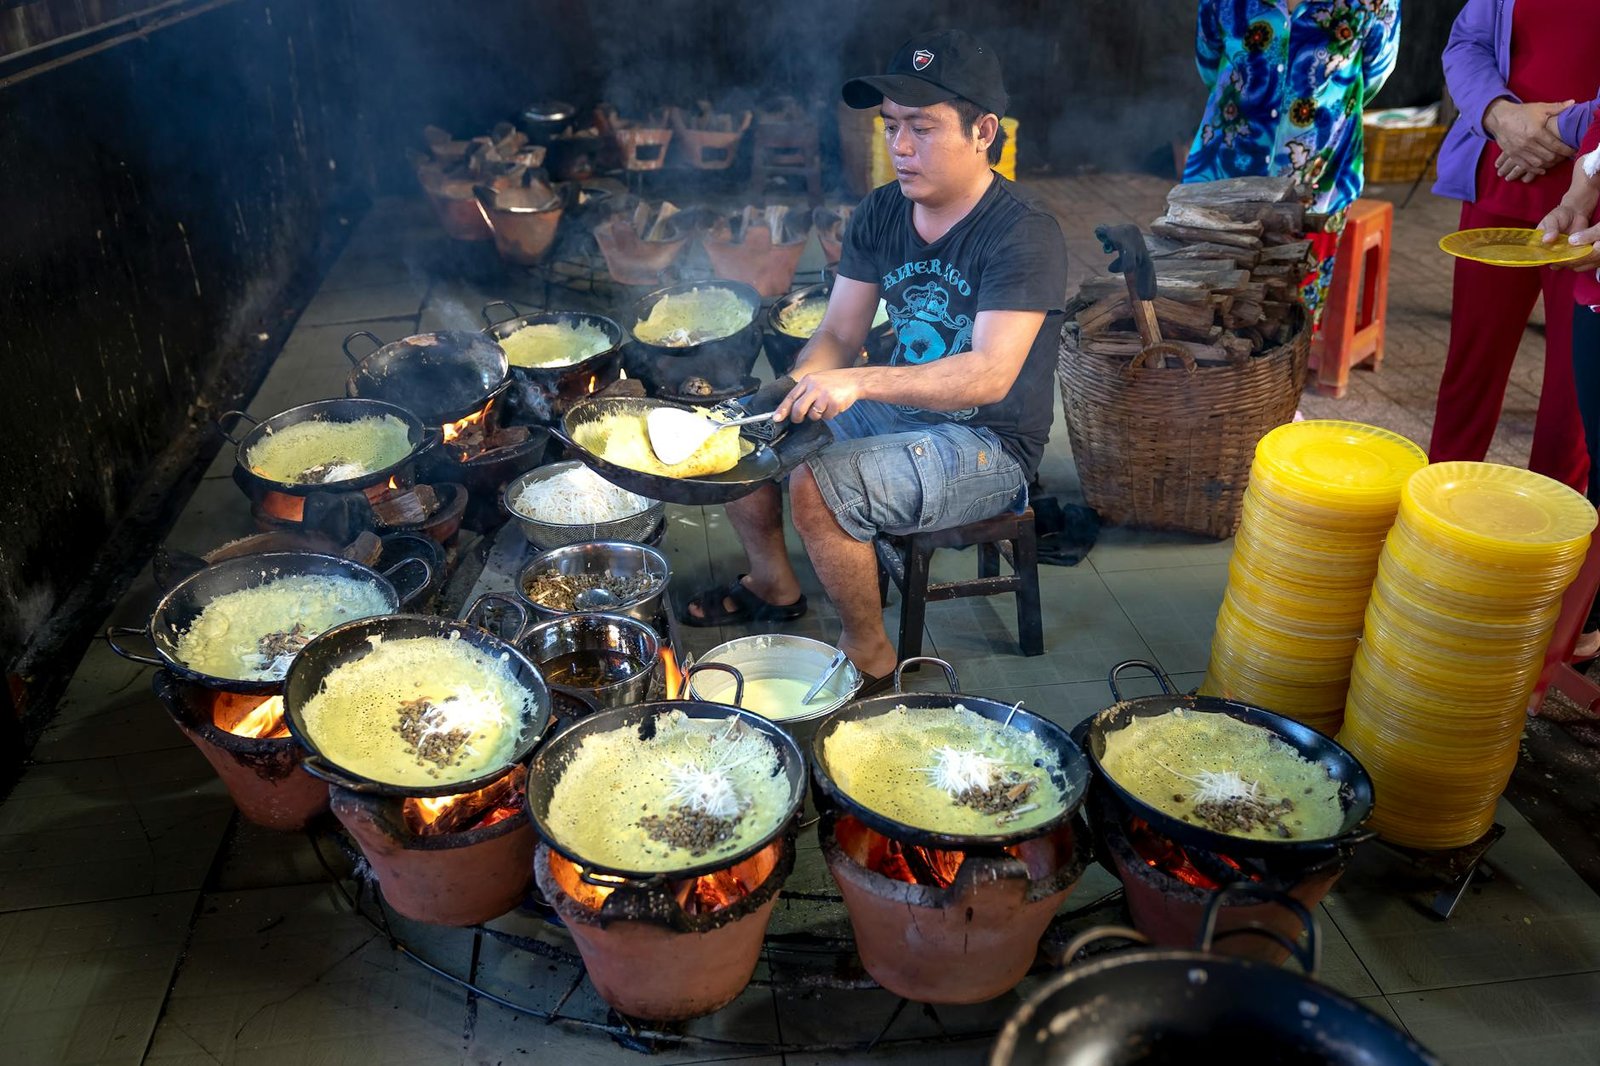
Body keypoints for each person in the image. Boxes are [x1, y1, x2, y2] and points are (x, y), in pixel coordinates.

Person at [681, 30, 1069, 687]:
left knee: (818, 487)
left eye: (923, 128)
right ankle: (773, 582)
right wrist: (790, 390)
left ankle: (871, 655)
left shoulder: (1023, 231)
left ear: (984, 132)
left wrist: (857, 383)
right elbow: (838, 332)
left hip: (988, 442)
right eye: (891, 127)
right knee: (745, 434)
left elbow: (988, 373)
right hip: (904, 409)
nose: (901, 147)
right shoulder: (882, 211)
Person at [1430, 0, 1600, 493]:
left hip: (1589, 202)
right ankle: (1436, 507)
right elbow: (1468, 42)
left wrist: (1553, 132)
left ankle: (1555, 528)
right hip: (1500, 178)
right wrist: (1498, 114)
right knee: (1470, 367)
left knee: (1574, 392)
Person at [1182, 0, 1401, 325]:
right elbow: (1208, 60)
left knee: (1287, 322)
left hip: (1317, 185)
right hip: (1223, 177)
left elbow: (1374, 75)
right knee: (1206, 315)